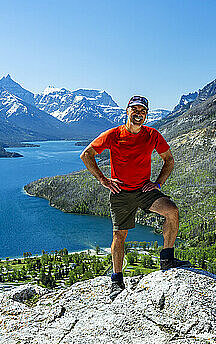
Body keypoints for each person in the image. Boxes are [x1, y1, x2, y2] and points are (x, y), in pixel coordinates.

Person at [80, 95, 190, 301]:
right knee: (119, 235)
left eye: (143, 111)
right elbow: (86, 155)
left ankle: (167, 259)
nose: (139, 114)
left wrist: (157, 184)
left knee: (172, 211)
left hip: (144, 190)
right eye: (135, 110)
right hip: (121, 193)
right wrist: (103, 179)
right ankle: (117, 280)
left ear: (146, 114)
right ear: (127, 111)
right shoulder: (113, 135)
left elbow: (169, 160)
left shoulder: (152, 135)